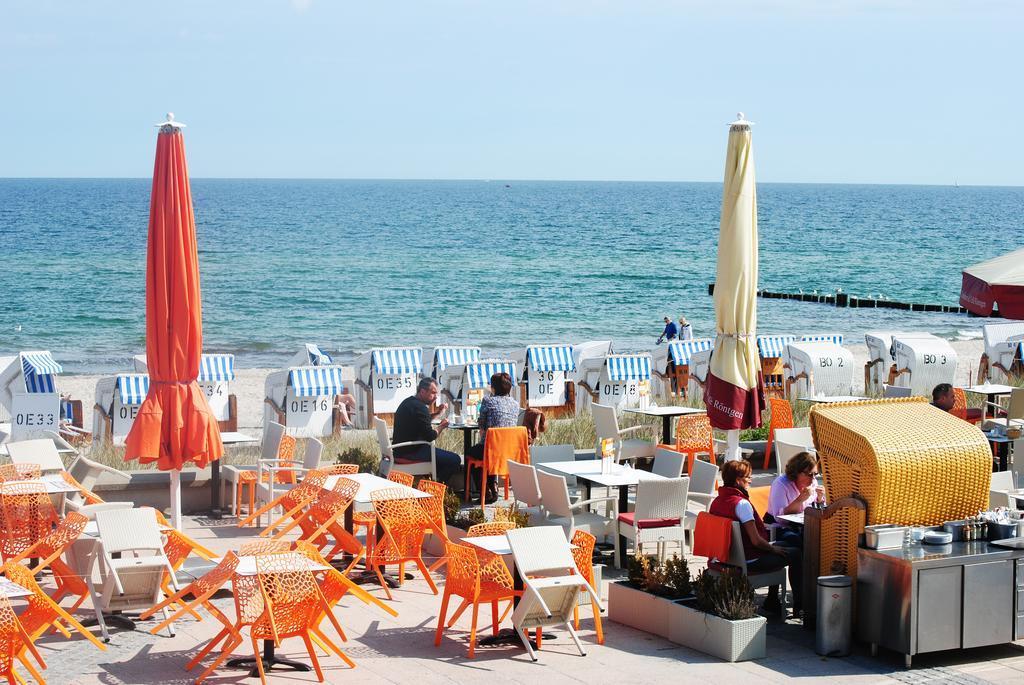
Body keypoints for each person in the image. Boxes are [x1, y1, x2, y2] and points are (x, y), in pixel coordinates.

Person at [709, 459, 802, 616]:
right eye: (748, 477)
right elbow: (756, 541)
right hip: (747, 560)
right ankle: (800, 606)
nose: (751, 480)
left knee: (786, 543)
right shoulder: (741, 505)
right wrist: (773, 549)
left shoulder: (717, 502)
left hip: (726, 556)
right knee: (796, 553)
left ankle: (772, 600)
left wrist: (775, 548)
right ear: (738, 480)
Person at [390, 378, 462, 488]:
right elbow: (430, 436)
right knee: (454, 459)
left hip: (401, 450)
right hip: (410, 452)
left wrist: (438, 413)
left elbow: (422, 421)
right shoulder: (420, 407)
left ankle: (430, 485)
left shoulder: (410, 402)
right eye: (433, 393)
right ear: (422, 391)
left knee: (443, 459)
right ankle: (434, 489)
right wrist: (442, 426)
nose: (435, 396)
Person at [465, 372, 520, 503]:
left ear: (494, 387)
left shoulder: (488, 401)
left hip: (491, 450)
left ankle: (484, 491)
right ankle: (493, 487)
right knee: (489, 452)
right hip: (508, 452)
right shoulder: (515, 404)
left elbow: (482, 426)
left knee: (471, 453)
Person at [766, 451, 824, 546]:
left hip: (803, 525)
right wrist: (799, 500)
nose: (813, 478)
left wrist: (820, 499)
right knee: (798, 540)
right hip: (779, 527)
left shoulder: (813, 483)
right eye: (809, 474)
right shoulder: (781, 484)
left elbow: (816, 508)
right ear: (797, 472)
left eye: (815, 474)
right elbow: (779, 519)